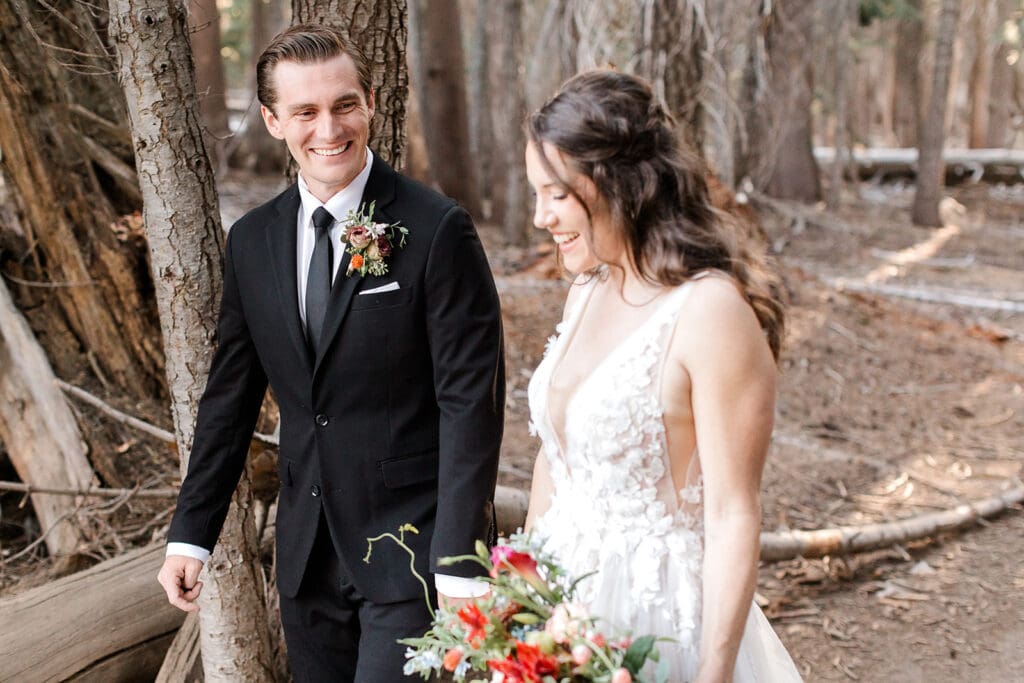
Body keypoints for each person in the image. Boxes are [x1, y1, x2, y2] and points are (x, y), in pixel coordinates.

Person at [156, 25, 505, 682]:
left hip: (412, 554)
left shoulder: (436, 230)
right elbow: (229, 396)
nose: (329, 128)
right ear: (272, 119)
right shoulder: (254, 241)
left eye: (344, 104)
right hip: (306, 559)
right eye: (305, 111)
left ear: (371, 101)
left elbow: (471, 403)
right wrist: (190, 531)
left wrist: (460, 558)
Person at [523, 70, 802, 682]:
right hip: (561, 611)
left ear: (616, 184)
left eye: (555, 194)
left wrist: (714, 671)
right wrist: (522, 602)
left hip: (657, 616)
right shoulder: (588, 290)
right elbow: (555, 459)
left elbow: (733, 512)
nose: (541, 217)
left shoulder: (710, 311)